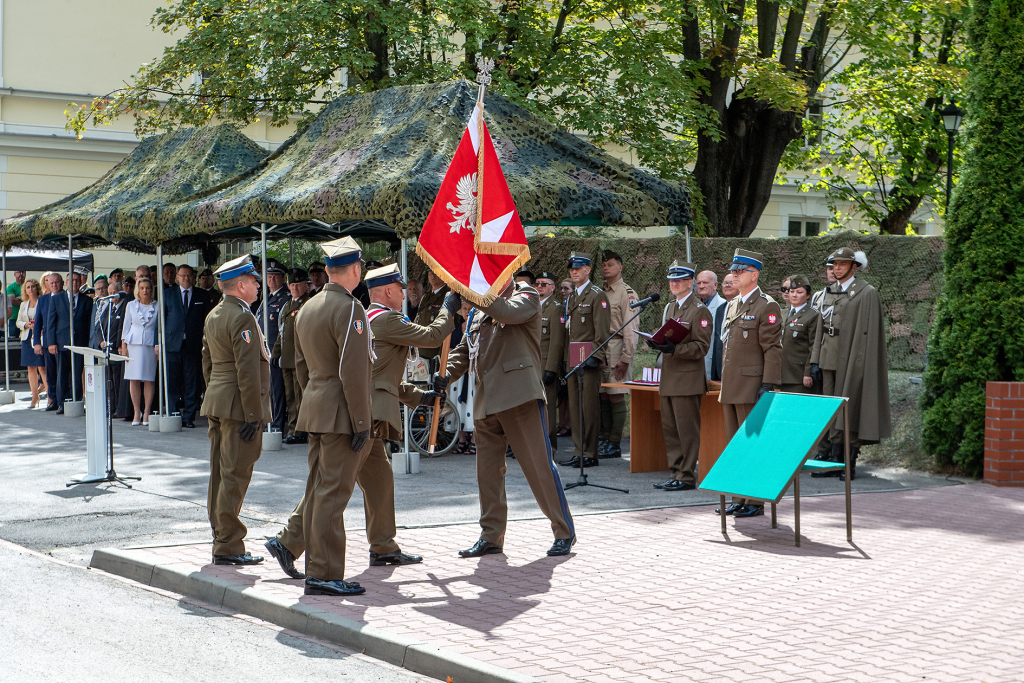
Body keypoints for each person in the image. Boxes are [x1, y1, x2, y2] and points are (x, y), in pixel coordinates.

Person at [268, 263, 452, 578]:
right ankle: (289, 542)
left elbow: (381, 377)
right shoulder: (387, 319)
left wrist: (419, 396)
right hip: (364, 415)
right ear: (390, 291)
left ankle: (383, 546)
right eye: (400, 289)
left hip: (365, 409)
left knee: (378, 481)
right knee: (333, 483)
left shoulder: (368, 318)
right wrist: (448, 307)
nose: (404, 295)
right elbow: (434, 336)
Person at [444, 276, 576, 558]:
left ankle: (563, 530)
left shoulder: (526, 295)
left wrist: (476, 295)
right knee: (487, 475)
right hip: (486, 400)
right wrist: (441, 375)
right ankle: (491, 535)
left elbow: (505, 312)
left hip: (519, 397)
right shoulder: (478, 312)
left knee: (539, 468)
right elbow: (466, 353)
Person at [289, 237, 371, 596]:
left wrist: (315, 398)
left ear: (326, 271)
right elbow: (354, 372)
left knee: (318, 488)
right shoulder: (350, 309)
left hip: (317, 407)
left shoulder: (307, 307)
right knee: (333, 494)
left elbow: (300, 367)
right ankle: (322, 572)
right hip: (341, 413)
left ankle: (316, 568)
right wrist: (362, 422)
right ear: (355, 270)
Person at [200, 255, 270, 567]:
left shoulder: (215, 314)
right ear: (240, 285)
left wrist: (216, 393)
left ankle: (221, 536)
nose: (258, 285)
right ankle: (228, 544)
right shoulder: (242, 317)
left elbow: (207, 363)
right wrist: (254, 415)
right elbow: (247, 370)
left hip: (219, 398)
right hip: (239, 405)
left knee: (220, 472)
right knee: (235, 475)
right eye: (254, 280)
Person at [809, 248, 891, 481]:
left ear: (854, 267)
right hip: (829, 359)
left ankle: (849, 462)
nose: (837, 268)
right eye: (834, 264)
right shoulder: (828, 292)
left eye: (843, 264)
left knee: (850, 410)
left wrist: (861, 362)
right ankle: (834, 460)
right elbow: (820, 330)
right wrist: (815, 360)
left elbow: (868, 334)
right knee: (831, 412)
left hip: (852, 361)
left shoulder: (866, 293)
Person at [717, 249, 782, 518]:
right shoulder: (733, 304)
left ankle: (755, 500)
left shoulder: (767, 305)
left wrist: (768, 384)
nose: (734, 274)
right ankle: (738, 497)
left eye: (739, 271)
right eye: (733, 270)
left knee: (753, 443)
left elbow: (773, 349)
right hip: (731, 385)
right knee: (734, 444)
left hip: (752, 386)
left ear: (754, 275)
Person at [646, 261, 713, 490]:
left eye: (679, 280)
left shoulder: (699, 310)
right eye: (671, 280)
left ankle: (686, 476)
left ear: (690, 282)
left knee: (686, 431)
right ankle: (675, 472)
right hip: (670, 376)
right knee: (671, 429)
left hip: (687, 379)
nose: (674, 284)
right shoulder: (670, 307)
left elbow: (701, 347)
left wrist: (674, 349)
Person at [559, 252, 610, 469]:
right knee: (575, 407)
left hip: (588, 359)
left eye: (578, 268)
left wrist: (596, 355)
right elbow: (569, 331)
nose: (575, 271)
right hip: (572, 359)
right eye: (572, 268)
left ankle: (590, 452)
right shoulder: (571, 297)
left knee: (588, 407)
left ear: (588, 270)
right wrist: (564, 361)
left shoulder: (597, 295)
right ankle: (579, 451)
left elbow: (602, 330)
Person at [599, 251, 639, 459]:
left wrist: (626, 358)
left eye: (611, 264)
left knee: (615, 394)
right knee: (603, 395)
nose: (606, 268)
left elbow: (631, 328)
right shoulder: (602, 292)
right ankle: (605, 439)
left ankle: (614, 443)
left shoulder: (627, 293)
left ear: (620, 267)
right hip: (602, 348)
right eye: (604, 265)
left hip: (617, 346)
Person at [161, 264, 212, 428]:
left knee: (192, 382)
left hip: (193, 344)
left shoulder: (202, 295)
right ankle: (174, 412)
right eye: (182, 275)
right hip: (172, 344)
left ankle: (188, 416)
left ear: (194, 277)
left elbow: (207, 320)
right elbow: (160, 320)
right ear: (177, 277)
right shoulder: (167, 294)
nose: (186, 278)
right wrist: (158, 343)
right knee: (172, 381)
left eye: (189, 275)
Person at [273, 268, 312, 445]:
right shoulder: (287, 305)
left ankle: (301, 430)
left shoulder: (308, 304)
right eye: (292, 284)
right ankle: (293, 428)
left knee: (300, 395)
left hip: (300, 358)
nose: (295, 288)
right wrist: (276, 352)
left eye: (299, 284)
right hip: (287, 358)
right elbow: (282, 332)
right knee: (290, 396)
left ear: (306, 285)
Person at [45, 270, 93, 413]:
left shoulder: (87, 300)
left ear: (81, 282)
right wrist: (51, 342)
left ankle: (76, 401)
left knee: (77, 374)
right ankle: (62, 403)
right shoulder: (57, 299)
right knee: (62, 373)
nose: (74, 283)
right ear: (66, 283)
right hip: (61, 343)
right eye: (71, 280)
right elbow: (51, 323)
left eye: (77, 280)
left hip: (79, 343)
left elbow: (89, 324)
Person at [120, 278, 159, 425]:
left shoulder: (158, 306)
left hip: (150, 345)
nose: (145, 291)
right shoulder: (131, 305)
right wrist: (124, 347)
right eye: (142, 288)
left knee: (149, 379)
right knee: (134, 378)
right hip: (133, 344)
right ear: (138, 289)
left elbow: (159, 328)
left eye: (148, 288)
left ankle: (147, 412)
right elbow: (126, 327)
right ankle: (137, 411)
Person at [535, 271, 565, 447]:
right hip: (530, 364)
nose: (539, 286)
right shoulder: (531, 305)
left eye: (544, 284)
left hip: (545, 364)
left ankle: (549, 447)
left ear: (552, 288)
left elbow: (557, 342)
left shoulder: (555, 308)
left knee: (547, 409)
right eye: (537, 283)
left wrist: (552, 368)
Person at [780, 275, 819, 394]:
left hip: (798, 374)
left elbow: (813, 346)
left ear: (807, 295)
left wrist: (808, 373)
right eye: (791, 291)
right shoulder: (782, 312)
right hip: (780, 373)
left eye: (799, 292)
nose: (794, 295)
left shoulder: (813, 315)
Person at [450, 298, 477, 454]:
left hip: (474, 372)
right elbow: (452, 349)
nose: (467, 311)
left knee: (473, 405)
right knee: (459, 405)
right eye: (464, 308)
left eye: (470, 308)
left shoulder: (479, 327)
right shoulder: (456, 328)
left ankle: (473, 439)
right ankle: (461, 439)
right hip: (460, 374)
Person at [16, 279, 47, 407]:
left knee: (41, 367)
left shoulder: (43, 301)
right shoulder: (23, 304)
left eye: (33, 286)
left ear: (37, 288)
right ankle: (35, 396)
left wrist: (39, 326)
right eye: (28, 287)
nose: (30, 289)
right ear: (25, 290)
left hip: (40, 337)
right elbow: (18, 322)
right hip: (27, 337)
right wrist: (26, 325)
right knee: (30, 368)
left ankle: (50, 395)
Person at [32, 273, 58, 410]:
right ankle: (52, 399)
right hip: (47, 342)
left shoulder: (64, 296)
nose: (52, 284)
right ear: (45, 283)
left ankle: (64, 398)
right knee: (50, 373)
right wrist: (37, 342)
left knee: (64, 372)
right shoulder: (42, 300)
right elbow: (38, 323)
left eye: (54, 282)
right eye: (48, 281)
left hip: (62, 341)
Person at [696, 270, 726, 380]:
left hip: (714, 367)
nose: (701, 286)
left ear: (715, 285)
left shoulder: (723, 306)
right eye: (698, 283)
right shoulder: (694, 306)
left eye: (705, 282)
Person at [414, 270, 450, 360]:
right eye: (430, 271)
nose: (432, 275)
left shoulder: (449, 296)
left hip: (435, 350)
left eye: (435, 271)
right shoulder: (426, 297)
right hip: (422, 347)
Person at [556, 278, 574, 437]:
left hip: (570, 353)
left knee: (569, 392)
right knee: (561, 392)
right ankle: (561, 423)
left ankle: (568, 424)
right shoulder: (559, 307)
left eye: (566, 289)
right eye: (561, 288)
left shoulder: (572, 306)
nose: (562, 291)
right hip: (560, 352)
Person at [7, 269, 25, 338]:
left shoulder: (28, 286)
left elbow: (32, 300)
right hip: (14, 317)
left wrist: (18, 298)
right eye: (18, 272)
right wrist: (25, 301)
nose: (21, 274)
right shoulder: (11, 287)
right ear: (14, 274)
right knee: (13, 340)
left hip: (26, 318)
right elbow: (11, 300)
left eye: (23, 272)